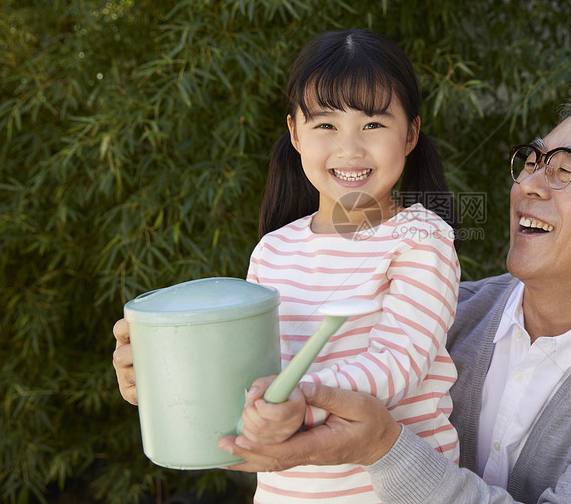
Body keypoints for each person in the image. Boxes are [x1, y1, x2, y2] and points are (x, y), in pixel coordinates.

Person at [116, 79, 571, 503]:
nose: (530, 186)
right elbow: (279, 399)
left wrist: (385, 446)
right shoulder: (435, 309)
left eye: (566, 170)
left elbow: (336, 411)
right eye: (533, 161)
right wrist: (176, 377)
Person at [115, 28, 461, 504]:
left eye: (373, 125)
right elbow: (247, 379)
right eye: (325, 125)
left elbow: (399, 363)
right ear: (295, 133)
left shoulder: (422, 237)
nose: (350, 148)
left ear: (411, 134)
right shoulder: (273, 250)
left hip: (393, 490)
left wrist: (296, 400)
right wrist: (162, 378)